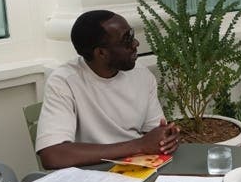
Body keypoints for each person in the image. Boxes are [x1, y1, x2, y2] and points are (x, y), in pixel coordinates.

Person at [36, 10, 180, 169]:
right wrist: (138, 145)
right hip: (89, 176)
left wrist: (166, 139)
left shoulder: (142, 75)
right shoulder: (64, 82)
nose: (135, 44)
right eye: (127, 39)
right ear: (101, 53)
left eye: (132, 35)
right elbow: (53, 155)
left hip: (137, 170)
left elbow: (154, 135)